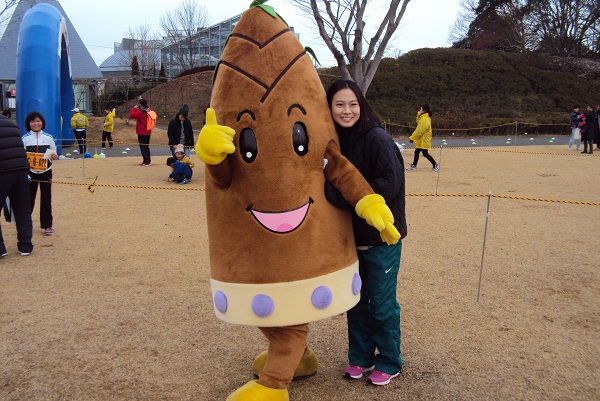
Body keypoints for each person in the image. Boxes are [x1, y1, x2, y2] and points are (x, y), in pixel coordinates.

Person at [325, 79, 407, 386]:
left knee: (382, 304)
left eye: (353, 104)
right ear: (329, 108)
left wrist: (344, 197)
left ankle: (389, 360)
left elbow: (390, 185)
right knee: (356, 303)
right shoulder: (335, 143)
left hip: (381, 238)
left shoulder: (377, 139)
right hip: (351, 240)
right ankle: (360, 358)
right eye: (339, 105)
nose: (347, 111)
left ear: (362, 105)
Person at [0, 114, 34, 257]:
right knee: (23, 211)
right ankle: (25, 246)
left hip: (2, 171)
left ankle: (0, 249)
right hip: (20, 171)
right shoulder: (11, 123)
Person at [22, 111, 59, 236]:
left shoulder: (48, 138)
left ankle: (47, 225)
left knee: (46, 199)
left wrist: (54, 156)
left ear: (42, 122)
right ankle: (25, 224)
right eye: (32, 121)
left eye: (38, 121)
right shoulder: (25, 139)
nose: (35, 123)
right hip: (30, 173)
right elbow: (21, 155)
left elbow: (54, 153)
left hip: (46, 172)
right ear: (28, 124)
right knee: (28, 200)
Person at [406, 104, 439, 171]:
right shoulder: (423, 118)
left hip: (423, 140)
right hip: (421, 139)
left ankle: (435, 164)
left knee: (425, 153)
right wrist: (419, 114)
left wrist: (412, 137)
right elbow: (418, 121)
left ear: (424, 110)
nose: (419, 110)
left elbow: (419, 130)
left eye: (421, 109)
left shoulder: (425, 119)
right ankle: (414, 165)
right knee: (417, 152)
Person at [129, 98, 153, 166]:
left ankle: (146, 161)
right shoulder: (148, 110)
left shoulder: (141, 112)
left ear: (140, 105)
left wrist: (134, 108)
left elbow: (132, 115)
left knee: (143, 147)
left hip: (142, 132)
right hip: (147, 131)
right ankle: (147, 160)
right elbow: (147, 105)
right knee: (146, 147)